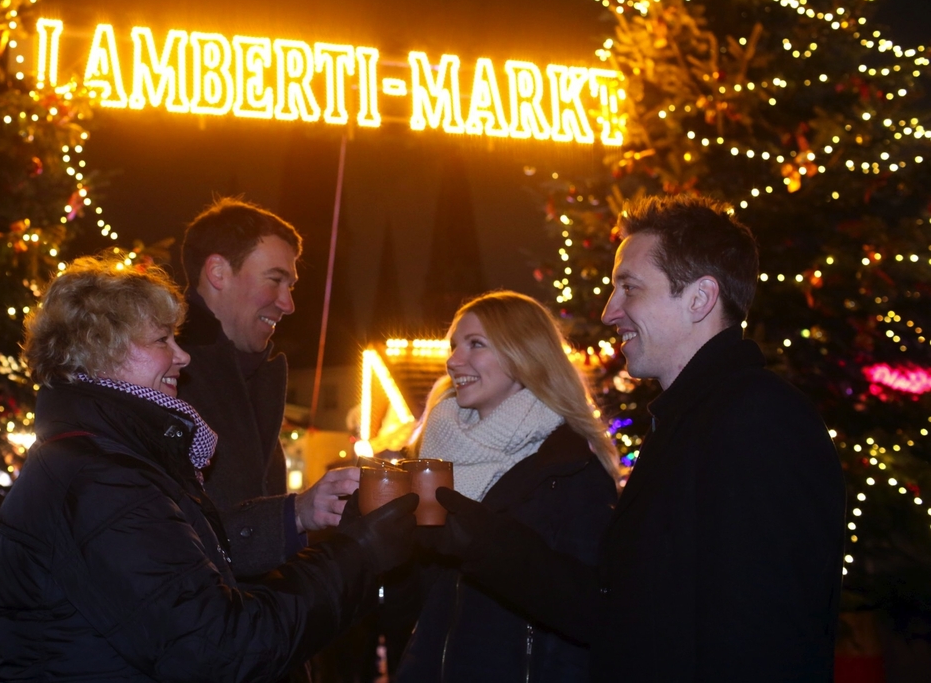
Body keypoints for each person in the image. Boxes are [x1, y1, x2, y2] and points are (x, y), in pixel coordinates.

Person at [427, 195, 845, 681]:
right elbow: (622, 609)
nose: (610, 311)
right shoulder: (692, 419)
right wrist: (482, 539)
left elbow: (764, 635)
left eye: (629, 288)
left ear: (700, 298)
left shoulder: (756, 419)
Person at [0, 254, 418, 682]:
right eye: (162, 340)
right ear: (102, 350)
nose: (183, 356)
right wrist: (358, 554)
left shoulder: (99, 461)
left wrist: (299, 517)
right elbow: (218, 649)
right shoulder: (102, 480)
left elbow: (184, 579)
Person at [395, 291, 619, 682]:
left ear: (524, 355)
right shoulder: (432, 456)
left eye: (475, 344)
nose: (453, 360)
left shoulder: (569, 467)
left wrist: (490, 546)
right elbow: (418, 599)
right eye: (454, 346)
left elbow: (592, 606)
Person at [178, 198, 358, 578]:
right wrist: (296, 513)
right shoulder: (166, 374)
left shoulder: (251, 373)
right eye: (275, 280)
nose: (288, 304)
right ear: (218, 272)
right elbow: (176, 539)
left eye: (290, 285)